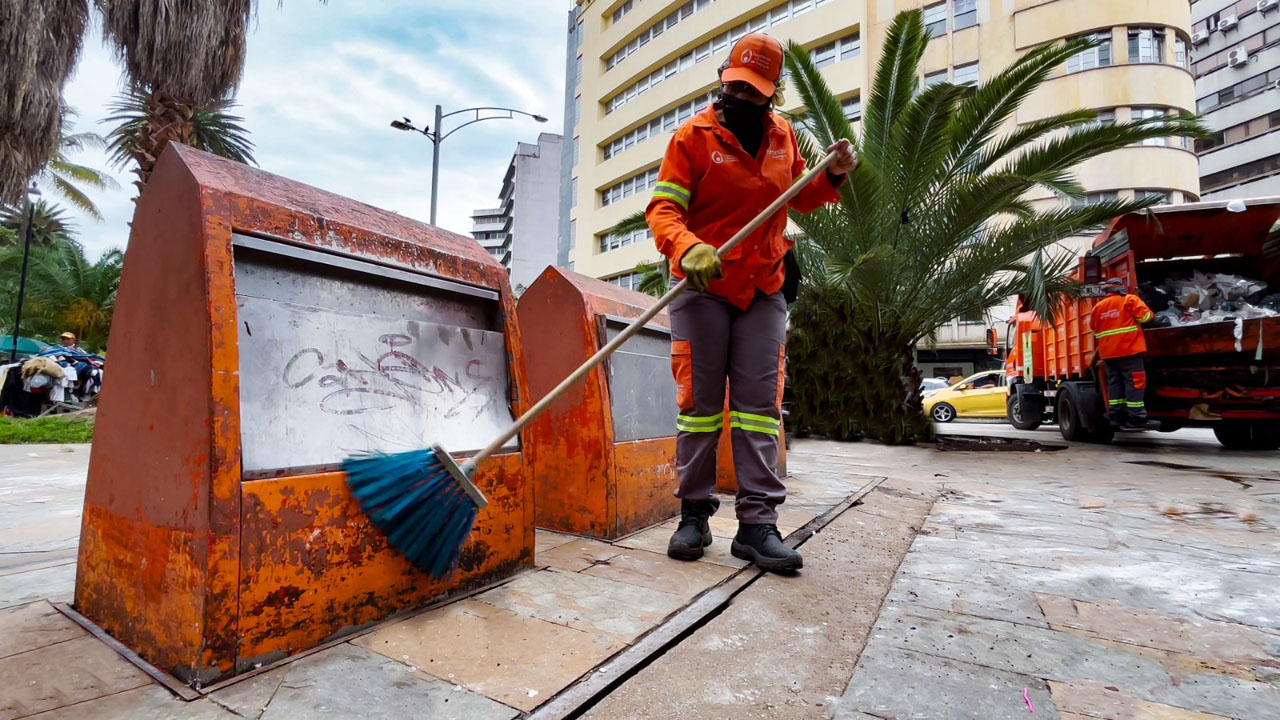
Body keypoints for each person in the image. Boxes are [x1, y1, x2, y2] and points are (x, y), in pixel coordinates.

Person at [647, 32, 856, 573]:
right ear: (724, 78)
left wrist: (830, 174)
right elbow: (663, 210)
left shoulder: (784, 136)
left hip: (764, 285)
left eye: (756, 89)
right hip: (702, 287)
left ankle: (757, 525)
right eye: (736, 84)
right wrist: (687, 245)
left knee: (760, 409)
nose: (743, 95)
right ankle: (693, 514)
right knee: (699, 409)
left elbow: (797, 197)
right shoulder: (691, 138)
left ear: (773, 92)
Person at [1090, 278, 1159, 430]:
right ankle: (1136, 417)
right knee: (1134, 382)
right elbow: (1146, 317)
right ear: (1121, 289)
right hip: (1129, 349)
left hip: (1108, 353)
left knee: (1115, 383)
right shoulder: (1129, 300)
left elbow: (1094, 330)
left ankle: (1116, 416)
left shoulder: (1098, 307)